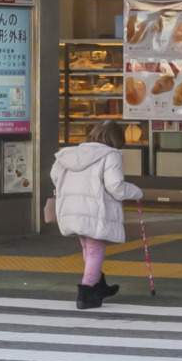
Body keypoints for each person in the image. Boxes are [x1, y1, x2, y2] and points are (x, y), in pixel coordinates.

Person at [47, 118, 141, 310]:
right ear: (117, 139)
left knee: (87, 247)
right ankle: (87, 292)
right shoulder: (110, 155)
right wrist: (136, 192)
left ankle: (99, 285)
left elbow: (55, 176)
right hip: (94, 209)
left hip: (72, 208)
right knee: (95, 248)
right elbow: (115, 186)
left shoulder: (70, 154)